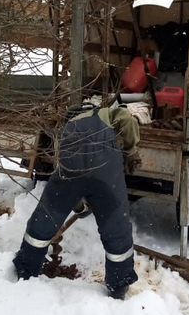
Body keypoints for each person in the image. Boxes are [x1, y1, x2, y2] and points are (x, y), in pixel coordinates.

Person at [13, 105, 142, 299]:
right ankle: (119, 283)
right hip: (105, 171)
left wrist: (79, 206)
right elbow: (126, 119)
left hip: (70, 171)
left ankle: (26, 269)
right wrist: (131, 151)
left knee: (46, 217)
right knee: (116, 227)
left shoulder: (65, 130)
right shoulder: (105, 112)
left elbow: (64, 173)